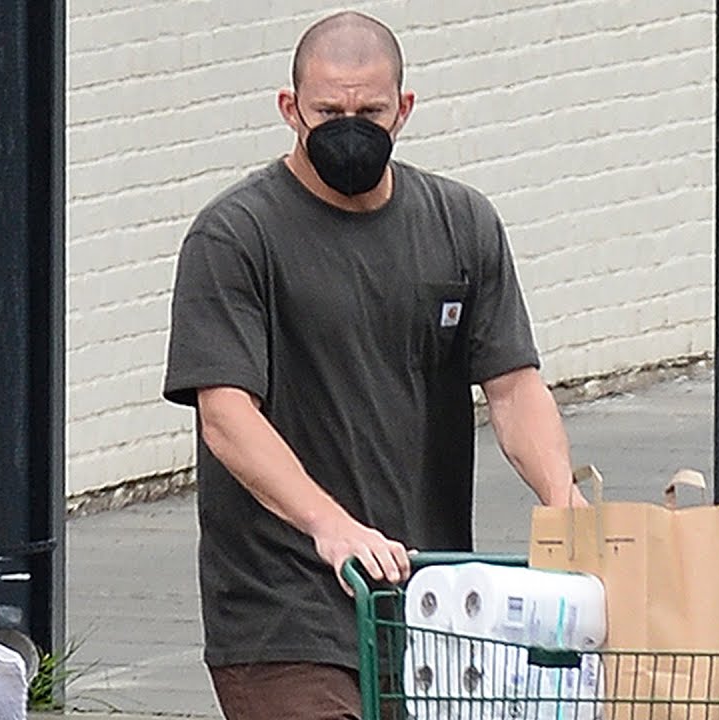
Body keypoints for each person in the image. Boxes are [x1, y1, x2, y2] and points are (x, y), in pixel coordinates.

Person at [162, 11, 585, 720]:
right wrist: (330, 525)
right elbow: (227, 416)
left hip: (428, 602)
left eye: (370, 113)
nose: (349, 128)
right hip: (283, 608)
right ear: (290, 108)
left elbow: (513, 386)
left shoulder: (460, 222)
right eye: (329, 112)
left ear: (404, 109)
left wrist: (562, 500)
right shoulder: (235, 235)